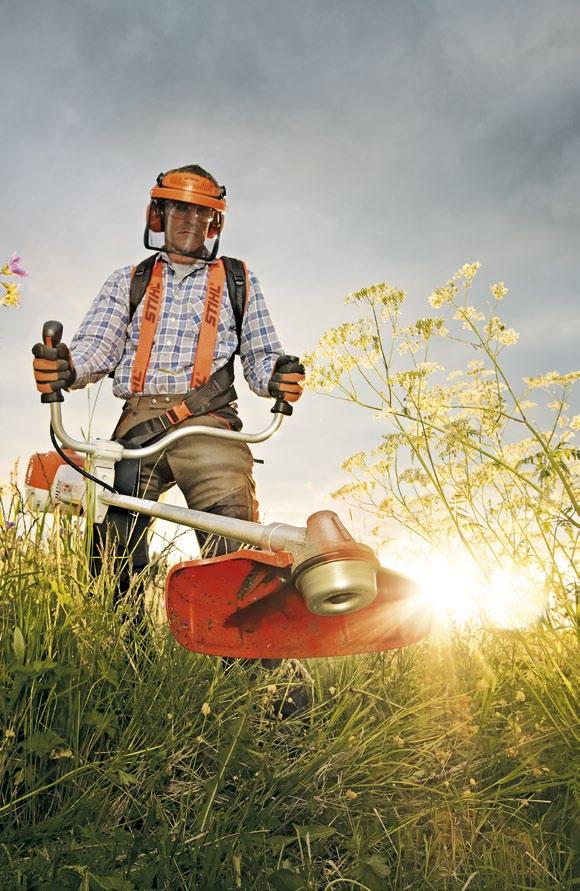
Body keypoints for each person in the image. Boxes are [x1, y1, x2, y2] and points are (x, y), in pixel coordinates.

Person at [32, 164, 305, 610]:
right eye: (179, 209)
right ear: (157, 215)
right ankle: (121, 653)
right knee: (111, 551)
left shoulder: (239, 281)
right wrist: (65, 366)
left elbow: (261, 357)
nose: (189, 221)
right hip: (138, 425)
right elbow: (95, 349)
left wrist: (277, 375)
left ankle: (255, 670)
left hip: (209, 425)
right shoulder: (128, 280)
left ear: (213, 223)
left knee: (234, 549)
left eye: (201, 214)